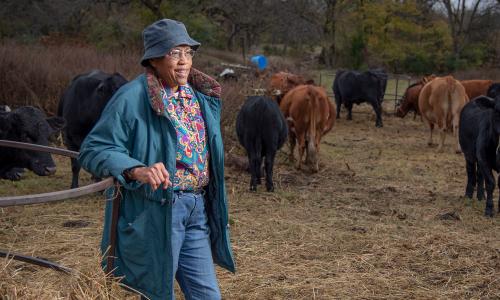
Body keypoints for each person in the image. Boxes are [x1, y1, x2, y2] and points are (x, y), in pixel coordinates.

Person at [79, 18, 235, 300]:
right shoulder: (131, 98)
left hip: (197, 208)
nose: (183, 61)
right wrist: (136, 169)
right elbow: (93, 149)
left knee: (208, 296)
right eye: (174, 53)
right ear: (153, 59)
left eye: (188, 52)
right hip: (159, 211)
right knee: (158, 294)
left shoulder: (199, 96)